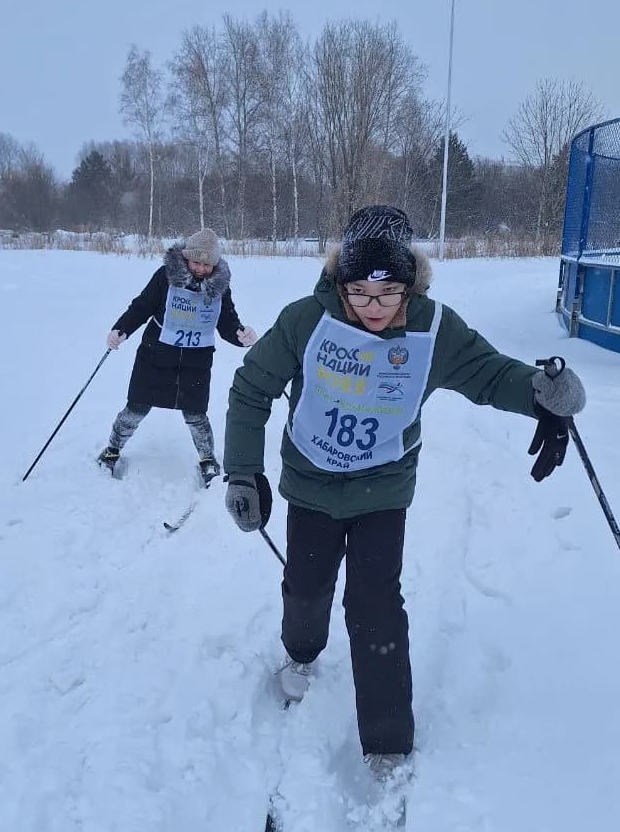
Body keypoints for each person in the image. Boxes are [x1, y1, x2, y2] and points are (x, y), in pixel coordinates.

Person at [222, 205, 586, 778]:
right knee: (306, 588)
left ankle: (388, 738)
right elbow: (251, 388)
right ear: (340, 281)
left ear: (410, 284)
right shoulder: (305, 321)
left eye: (389, 292)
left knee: (376, 607)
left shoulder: (433, 328)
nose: (374, 307)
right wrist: (243, 471)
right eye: (360, 293)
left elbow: (489, 374)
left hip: (382, 491)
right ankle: (302, 652)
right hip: (311, 485)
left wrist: (540, 392)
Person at [99, 228, 257, 483]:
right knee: (136, 407)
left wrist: (240, 334)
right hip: (156, 356)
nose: (201, 269)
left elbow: (226, 320)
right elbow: (142, 306)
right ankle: (111, 450)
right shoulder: (165, 277)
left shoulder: (220, 287)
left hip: (196, 362)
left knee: (196, 415)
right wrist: (122, 329)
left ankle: (207, 459)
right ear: (186, 257)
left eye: (207, 264)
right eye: (196, 262)